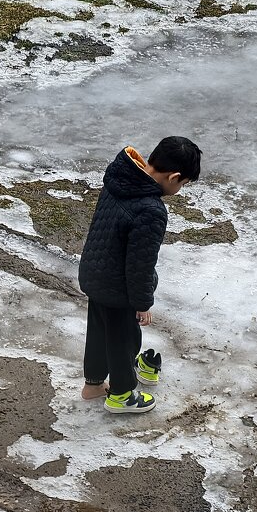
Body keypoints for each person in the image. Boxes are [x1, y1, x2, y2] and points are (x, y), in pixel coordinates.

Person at [77, 137, 201, 413]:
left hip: (95, 272)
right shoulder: (151, 210)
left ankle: (94, 384)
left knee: (98, 332)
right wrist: (142, 303)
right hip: (117, 286)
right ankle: (122, 394)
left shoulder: (120, 177)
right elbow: (140, 264)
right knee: (124, 339)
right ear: (174, 177)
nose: (179, 190)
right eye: (182, 185)